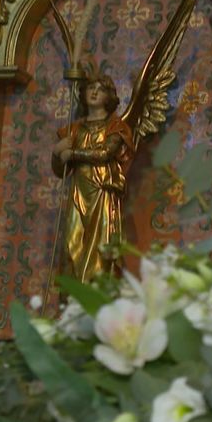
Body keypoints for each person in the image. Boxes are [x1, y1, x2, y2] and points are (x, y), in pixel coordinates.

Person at [52, 75, 135, 281]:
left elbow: (106, 153)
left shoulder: (115, 126)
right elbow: (60, 170)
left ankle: (98, 290)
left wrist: (73, 153)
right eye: (90, 88)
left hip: (102, 191)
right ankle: (73, 294)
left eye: (101, 89)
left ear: (109, 96)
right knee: (72, 243)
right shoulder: (74, 129)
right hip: (78, 192)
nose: (94, 92)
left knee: (101, 246)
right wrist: (57, 153)